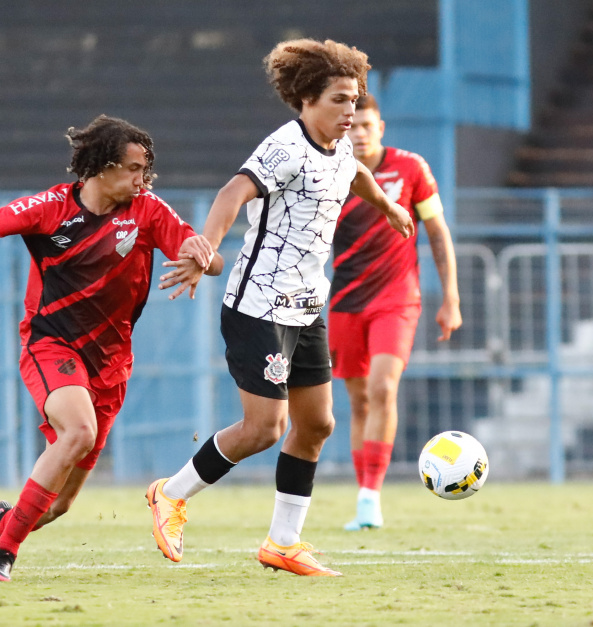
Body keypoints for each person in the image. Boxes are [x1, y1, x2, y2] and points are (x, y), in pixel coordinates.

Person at [146, 39, 415, 577]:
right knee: (266, 427)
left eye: (357, 100)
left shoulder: (339, 146)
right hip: (259, 305)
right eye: (340, 100)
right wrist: (206, 245)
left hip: (308, 306)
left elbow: (354, 174)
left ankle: (283, 543)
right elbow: (232, 193)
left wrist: (387, 205)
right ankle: (170, 494)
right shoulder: (284, 148)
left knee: (317, 425)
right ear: (306, 100)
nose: (352, 112)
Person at [0, 114, 221, 582]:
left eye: (146, 170)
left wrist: (202, 259)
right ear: (101, 166)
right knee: (79, 432)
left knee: (58, 506)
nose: (143, 179)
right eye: (134, 168)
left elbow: (208, 259)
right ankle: (0, 555)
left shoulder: (149, 210)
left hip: (112, 364)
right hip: (51, 345)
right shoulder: (51, 207)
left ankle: (6, 522)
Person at [330, 94, 462, 531]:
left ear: (381, 128)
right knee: (359, 400)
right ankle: (363, 494)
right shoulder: (330, 173)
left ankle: (371, 499)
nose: (360, 133)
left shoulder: (411, 168)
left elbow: (437, 233)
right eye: (352, 126)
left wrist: (451, 298)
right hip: (345, 300)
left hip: (397, 298)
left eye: (368, 125)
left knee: (383, 387)